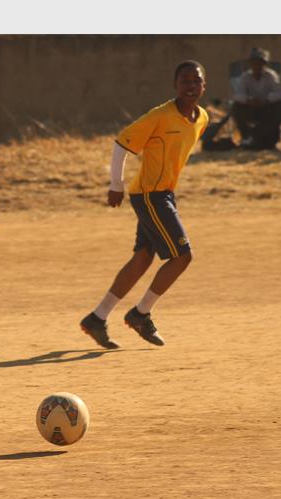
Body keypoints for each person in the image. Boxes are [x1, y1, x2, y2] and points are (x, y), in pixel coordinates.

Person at [80, 60, 208, 349]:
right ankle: (141, 314)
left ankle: (97, 318)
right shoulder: (159, 116)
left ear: (204, 85)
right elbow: (121, 144)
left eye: (196, 81)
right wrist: (116, 184)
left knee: (143, 257)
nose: (191, 86)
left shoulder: (201, 119)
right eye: (185, 81)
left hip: (164, 194)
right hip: (150, 195)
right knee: (182, 256)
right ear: (175, 85)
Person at [231, 47, 281, 150]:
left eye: (259, 63)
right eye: (254, 63)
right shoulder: (245, 77)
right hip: (251, 109)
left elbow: (280, 93)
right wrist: (248, 100)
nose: (256, 66)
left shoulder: (271, 76)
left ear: (264, 64)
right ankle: (247, 137)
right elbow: (237, 95)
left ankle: (262, 137)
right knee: (236, 107)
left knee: (279, 107)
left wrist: (266, 100)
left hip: (267, 109)